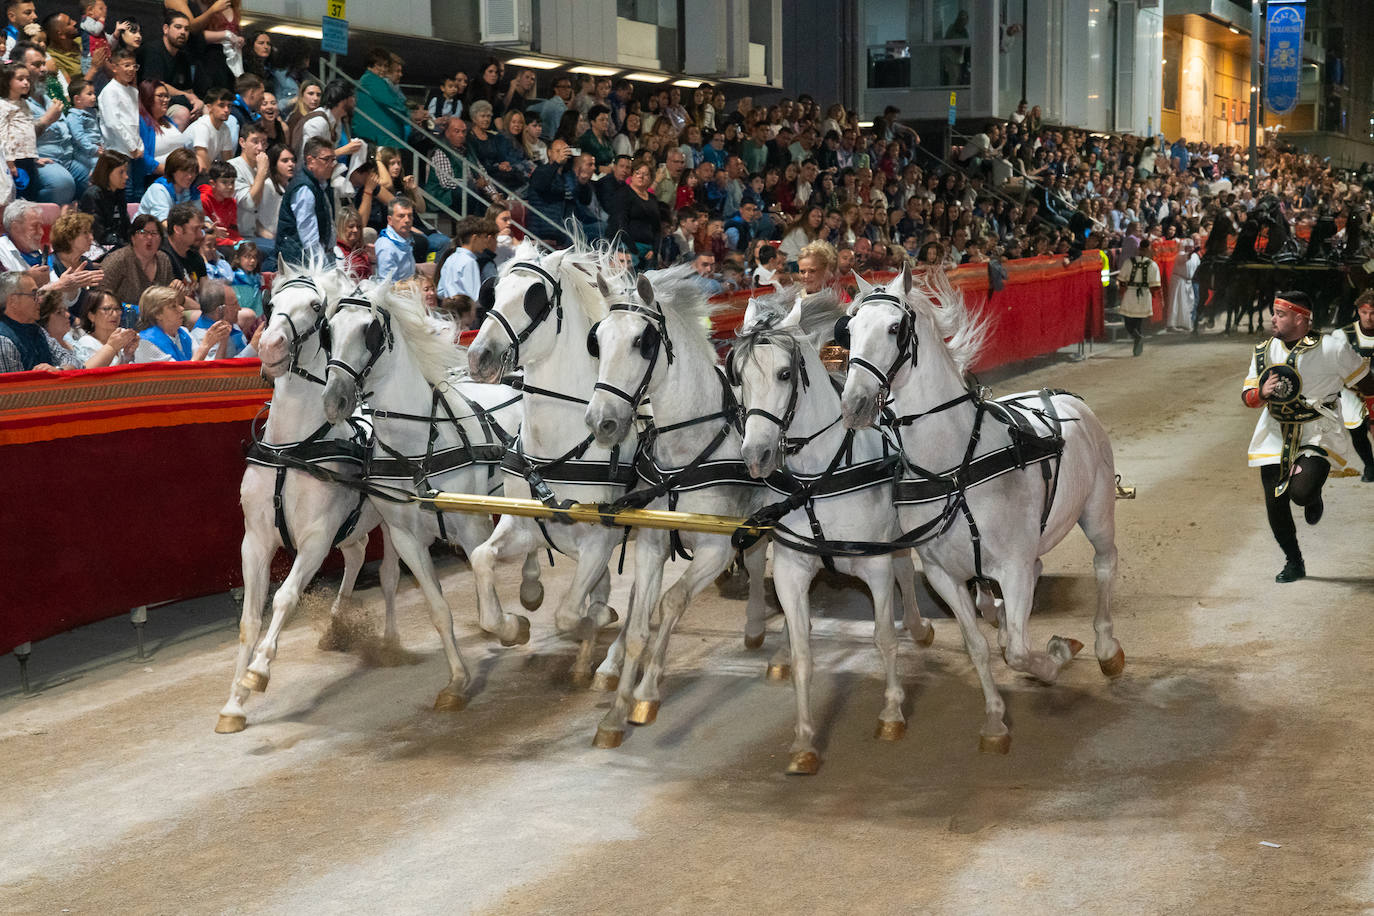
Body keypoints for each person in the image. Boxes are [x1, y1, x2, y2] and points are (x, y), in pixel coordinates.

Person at [1243, 292, 1374, 582]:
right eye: (1274, 313)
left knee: (1300, 494)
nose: (1272, 319)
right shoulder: (1264, 351)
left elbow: (1368, 384)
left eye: (1280, 314)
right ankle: (1294, 561)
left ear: (1300, 318)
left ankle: (1313, 495)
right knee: (1274, 500)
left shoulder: (1333, 348)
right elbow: (1248, 395)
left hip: (1318, 431)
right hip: (1275, 431)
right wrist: (1261, 393)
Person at [0, 269, 81, 371]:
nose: (40, 300)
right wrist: (46, 375)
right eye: (34, 295)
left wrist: (58, 370)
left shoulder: (36, 329)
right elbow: (14, 381)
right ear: (13, 301)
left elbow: (73, 360)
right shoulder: (3, 340)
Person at [276, 136, 336, 266]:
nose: (332, 164)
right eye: (326, 159)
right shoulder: (304, 189)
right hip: (298, 262)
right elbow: (308, 235)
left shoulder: (320, 184)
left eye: (333, 159)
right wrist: (322, 266)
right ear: (310, 161)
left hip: (314, 257)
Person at [134, 282, 225, 361]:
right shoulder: (146, 342)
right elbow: (179, 374)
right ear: (157, 314)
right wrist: (205, 346)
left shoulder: (184, 332)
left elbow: (207, 364)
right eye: (173, 306)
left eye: (179, 304)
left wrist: (224, 339)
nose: (181, 308)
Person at [1338, 290, 1374, 482]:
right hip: (1352, 395)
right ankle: (1369, 465)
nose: (1368, 317)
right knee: (1357, 433)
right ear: (1358, 311)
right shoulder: (1343, 335)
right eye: (1364, 312)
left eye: (1373, 313)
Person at [99, 213, 173, 305]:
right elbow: (99, 296)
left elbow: (170, 296)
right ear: (133, 238)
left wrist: (176, 288)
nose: (149, 237)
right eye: (143, 232)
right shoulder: (117, 260)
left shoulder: (163, 259)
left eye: (154, 233)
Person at [605, 161, 659, 268]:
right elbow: (620, 224)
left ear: (650, 178)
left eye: (645, 174)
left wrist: (655, 250)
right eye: (637, 173)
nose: (641, 176)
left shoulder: (653, 199)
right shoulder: (623, 194)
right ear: (632, 175)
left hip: (649, 249)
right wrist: (634, 250)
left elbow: (657, 228)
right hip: (627, 245)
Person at [78, 152, 132, 252]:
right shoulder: (92, 196)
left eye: (126, 172)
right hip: (98, 250)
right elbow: (98, 235)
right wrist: (125, 245)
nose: (126, 176)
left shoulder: (119, 193)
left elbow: (126, 227)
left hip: (119, 247)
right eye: (121, 172)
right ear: (107, 172)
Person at [71, 289, 139, 367]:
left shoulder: (121, 337)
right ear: (91, 316)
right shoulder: (87, 343)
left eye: (117, 309)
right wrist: (112, 347)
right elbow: (92, 372)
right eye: (107, 309)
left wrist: (128, 355)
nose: (115, 314)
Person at [190, 278, 254, 358]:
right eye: (234, 304)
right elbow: (218, 365)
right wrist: (253, 347)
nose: (239, 308)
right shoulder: (201, 337)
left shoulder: (231, 323)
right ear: (220, 310)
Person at [1116, 237, 1158, 356]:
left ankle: (1137, 340)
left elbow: (1122, 281)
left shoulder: (1128, 262)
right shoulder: (1153, 265)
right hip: (1144, 294)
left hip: (1130, 293)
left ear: (1139, 249)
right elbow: (1155, 285)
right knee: (1138, 322)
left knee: (1128, 321)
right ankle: (1138, 340)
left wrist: (1122, 292)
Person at [436, 216, 491, 300]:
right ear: (474, 238)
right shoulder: (470, 262)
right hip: (464, 307)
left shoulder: (451, 258)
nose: (486, 241)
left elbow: (440, 291)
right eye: (484, 237)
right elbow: (474, 297)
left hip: (448, 305)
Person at [137, 147, 198, 220]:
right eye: (184, 171)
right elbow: (163, 221)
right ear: (172, 171)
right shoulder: (158, 190)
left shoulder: (193, 191)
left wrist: (207, 224)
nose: (189, 176)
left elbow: (201, 217)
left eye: (193, 171)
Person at [188, 87, 235, 173]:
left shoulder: (225, 129)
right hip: (186, 170)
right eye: (221, 105)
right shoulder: (202, 125)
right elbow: (201, 158)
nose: (226, 110)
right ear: (209, 107)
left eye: (229, 106)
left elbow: (228, 160)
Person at [161, 202, 207, 285]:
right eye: (195, 229)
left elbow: (205, 289)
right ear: (178, 229)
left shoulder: (195, 257)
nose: (201, 235)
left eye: (201, 229)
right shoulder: (161, 257)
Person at [374, 197, 416, 282]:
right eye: (401, 216)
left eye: (410, 215)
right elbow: (387, 284)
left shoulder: (405, 239)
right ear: (390, 220)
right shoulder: (386, 247)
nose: (407, 220)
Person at [1166, 239, 1199, 332]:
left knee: (1188, 303)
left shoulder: (1195, 256)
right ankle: (1171, 325)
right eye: (1189, 247)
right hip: (1179, 281)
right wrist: (1193, 252)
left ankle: (1184, 324)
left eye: (1192, 247)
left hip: (1189, 282)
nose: (1191, 249)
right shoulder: (1180, 255)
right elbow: (1186, 257)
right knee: (1176, 303)